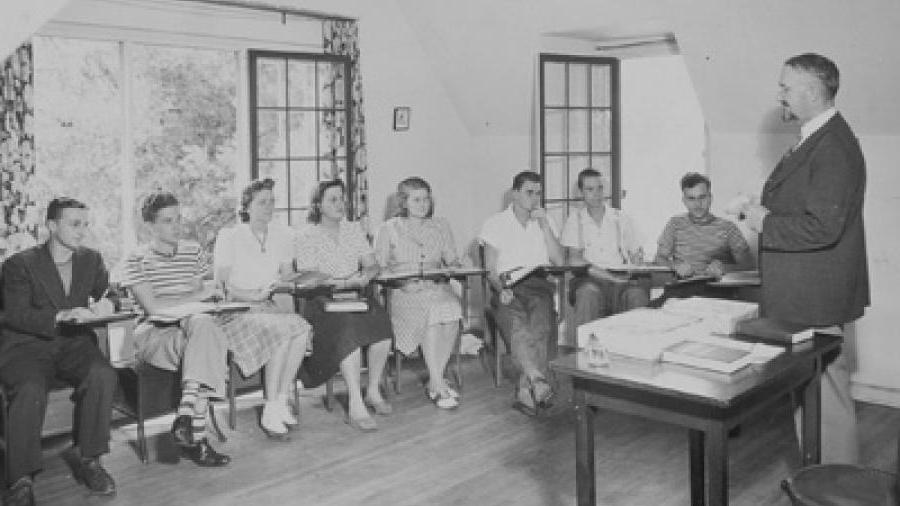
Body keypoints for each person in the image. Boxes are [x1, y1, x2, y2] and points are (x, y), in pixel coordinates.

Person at [742, 53, 869, 463]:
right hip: (803, 294)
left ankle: (835, 487)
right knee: (812, 396)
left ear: (813, 92)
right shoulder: (815, 136)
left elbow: (823, 227)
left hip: (816, 297)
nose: (780, 94)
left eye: (786, 86)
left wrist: (765, 222)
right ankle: (817, 481)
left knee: (826, 397)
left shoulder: (834, 147)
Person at [121, 191, 307, 468]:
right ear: (150, 226)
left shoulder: (192, 251)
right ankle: (196, 432)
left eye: (179, 219)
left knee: (205, 326)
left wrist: (210, 297)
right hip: (157, 334)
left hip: (198, 328)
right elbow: (154, 308)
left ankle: (188, 418)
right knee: (205, 328)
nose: (177, 226)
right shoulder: (135, 260)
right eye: (168, 221)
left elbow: (207, 292)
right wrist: (198, 298)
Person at [0, 198, 118, 506]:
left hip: (73, 344)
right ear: (52, 226)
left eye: (85, 224)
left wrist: (110, 303)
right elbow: (13, 314)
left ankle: (92, 460)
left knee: (102, 373)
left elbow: (112, 291)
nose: (82, 231)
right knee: (28, 388)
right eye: (74, 224)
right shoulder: (18, 264)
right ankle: (21, 480)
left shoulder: (91, 259)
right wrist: (58, 316)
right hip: (27, 345)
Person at [213, 178, 312, 437]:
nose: (269, 207)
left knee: (301, 329)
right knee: (281, 331)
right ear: (246, 207)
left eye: (272, 202)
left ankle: (279, 399)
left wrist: (305, 279)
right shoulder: (230, 237)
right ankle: (270, 408)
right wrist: (250, 295)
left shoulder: (283, 235)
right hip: (238, 311)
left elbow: (287, 276)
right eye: (262, 202)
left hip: (268, 306)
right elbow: (222, 285)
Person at [294, 180, 394, 431]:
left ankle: (372, 390)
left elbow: (372, 264)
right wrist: (333, 281)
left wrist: (366, 276)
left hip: (354, 296)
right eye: (333, 200)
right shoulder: (306, 235)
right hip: (321, 301)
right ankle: (355, 402)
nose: (341, 204)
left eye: (342, 198)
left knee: (382, 327)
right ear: (318, 205)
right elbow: (306, 276)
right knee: (348, 331)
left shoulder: (353, 230)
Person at [479, 171, 564, 416]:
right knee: (516, 322)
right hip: (508, 285)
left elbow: (558, 261)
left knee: (540, 324)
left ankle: (527, 387)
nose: (535, 198)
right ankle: (537, 380)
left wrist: (545, 225)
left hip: (539, 285)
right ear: (514, 193)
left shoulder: (545, 220)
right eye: (529, 192)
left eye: (538, 193)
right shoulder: (495, 223)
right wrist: (501, 289)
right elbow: (490, 269)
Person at [375, 177, 463, 409]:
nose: (423, 204)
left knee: (453, 311)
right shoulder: (388, 229)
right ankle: (438, 383)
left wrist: (457, 265)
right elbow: (380, 269)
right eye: (416, 200)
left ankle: (435, 381)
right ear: (403, 202)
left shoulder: (441, 225)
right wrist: (402, 283)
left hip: (436, 287)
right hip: (405, 294)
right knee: (432, 314)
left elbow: (452, 260)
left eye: (426, 199)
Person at [561, 168, 649, 326]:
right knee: (587, 295)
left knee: (637, 296)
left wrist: (636, 261)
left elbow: (637, 252)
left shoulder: (620, 218)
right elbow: (575, 260)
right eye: (590, 189)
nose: (597, 194)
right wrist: (610, 277)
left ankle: (635, 349)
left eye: (600, 188)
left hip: (622, 279)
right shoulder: (575, 220)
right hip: (589, 280)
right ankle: (586, 348)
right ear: (581, 193)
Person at [654, 172, 753, 279]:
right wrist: (675, 266)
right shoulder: (675, 224)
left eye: (702, 197)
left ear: (710, 198)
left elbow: (749, 265)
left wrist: (725, 268)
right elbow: (659, 258)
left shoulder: (728, 228)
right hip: (682, 290)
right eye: (691, 198)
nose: (697, 204)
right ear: (684, 201)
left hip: (718, 291)